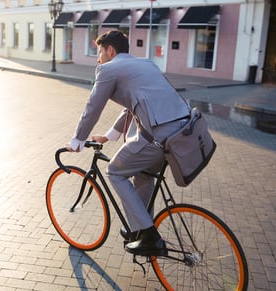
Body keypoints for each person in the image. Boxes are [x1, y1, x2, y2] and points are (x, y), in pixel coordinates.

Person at [67, 30, 190, 256]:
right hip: (180, 133)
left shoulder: (108, 69)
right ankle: (140, 229)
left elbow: (93, 106)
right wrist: (108, 136)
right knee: (142, 176)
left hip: (158, 137)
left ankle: (149, 234)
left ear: (110, 51)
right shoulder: (147, 64)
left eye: (100, 52)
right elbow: (132, 107)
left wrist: (78, 139)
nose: (98, 59)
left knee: (114, 171)